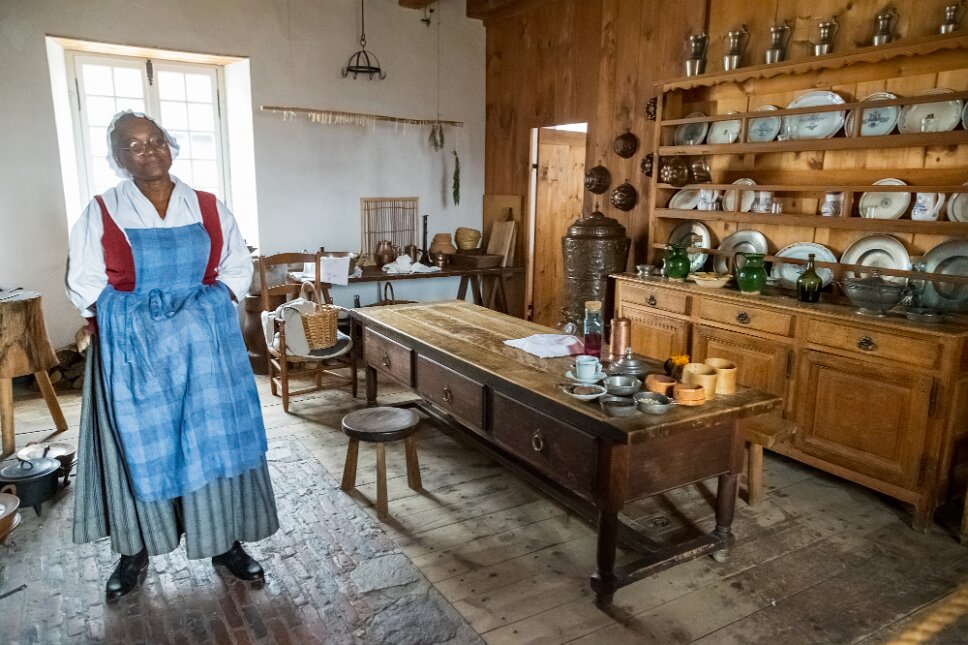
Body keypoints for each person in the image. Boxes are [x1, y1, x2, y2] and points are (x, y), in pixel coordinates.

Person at [66, 111, 278, 601]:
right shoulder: (102, 210)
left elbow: (235, 268)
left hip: (204, 352)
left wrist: (199, 313)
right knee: (139, 449)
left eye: (156, 140)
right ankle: (136, 549)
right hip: (134, 355)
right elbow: (85, 284)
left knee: (212, 444)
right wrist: (144, 322)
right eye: (134, 145)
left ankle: (224, 542)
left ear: (171, 145)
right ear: (117, 157)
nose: (149, 151)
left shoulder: (207, 205)